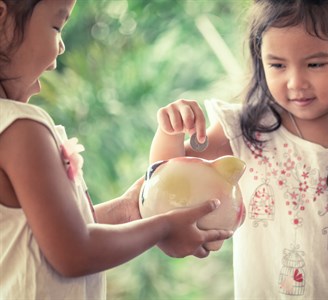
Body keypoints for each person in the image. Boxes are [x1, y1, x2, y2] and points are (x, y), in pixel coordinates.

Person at [149, 0, 328, 299]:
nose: (295, 82)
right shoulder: (245, 130)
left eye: (315, 64)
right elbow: (165, 179)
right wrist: (170, 131)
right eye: (277, 65)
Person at [0, 0, 233, 298]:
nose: (61, 47)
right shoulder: (22, 128)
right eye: (57, 26)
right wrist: (163, 228)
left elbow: (42, 236)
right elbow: (73, 251)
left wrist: (126, 209)